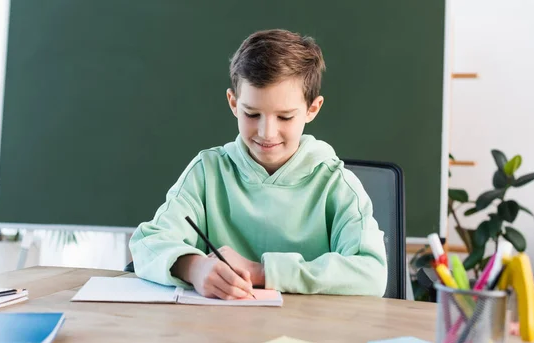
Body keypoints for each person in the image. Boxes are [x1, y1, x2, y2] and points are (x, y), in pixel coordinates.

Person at [129, 29, 387, 299]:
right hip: (218, 331)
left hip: (308, 333)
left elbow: (371, 273)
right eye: (252, 114)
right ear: (233, 103)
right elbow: (147, 243)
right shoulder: (207, 172)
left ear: (313, 109)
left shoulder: (336, 185)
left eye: (285, 117)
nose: (267, 133)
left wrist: (261, 271)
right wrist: (193, 267)